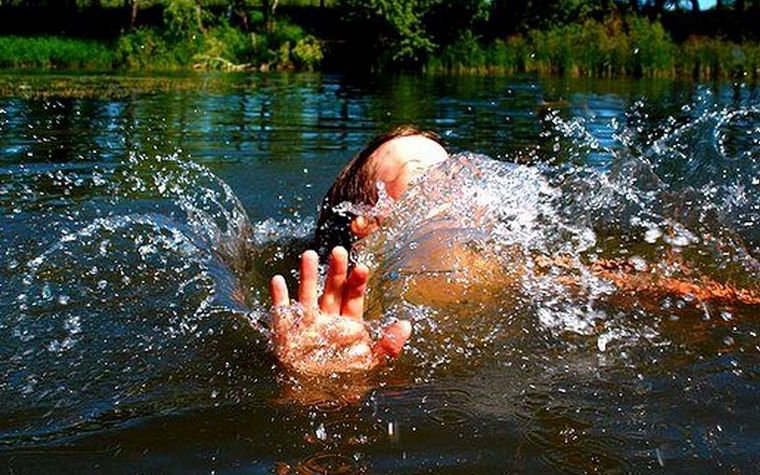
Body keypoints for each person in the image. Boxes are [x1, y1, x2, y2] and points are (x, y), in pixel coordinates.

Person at [268, 127, 760, 376]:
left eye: (454, 168)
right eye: (424, 176)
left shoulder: (521, 263)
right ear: (367, 224)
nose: (455, 181)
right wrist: (325, 382)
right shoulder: (346, 305)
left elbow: (655, 290)